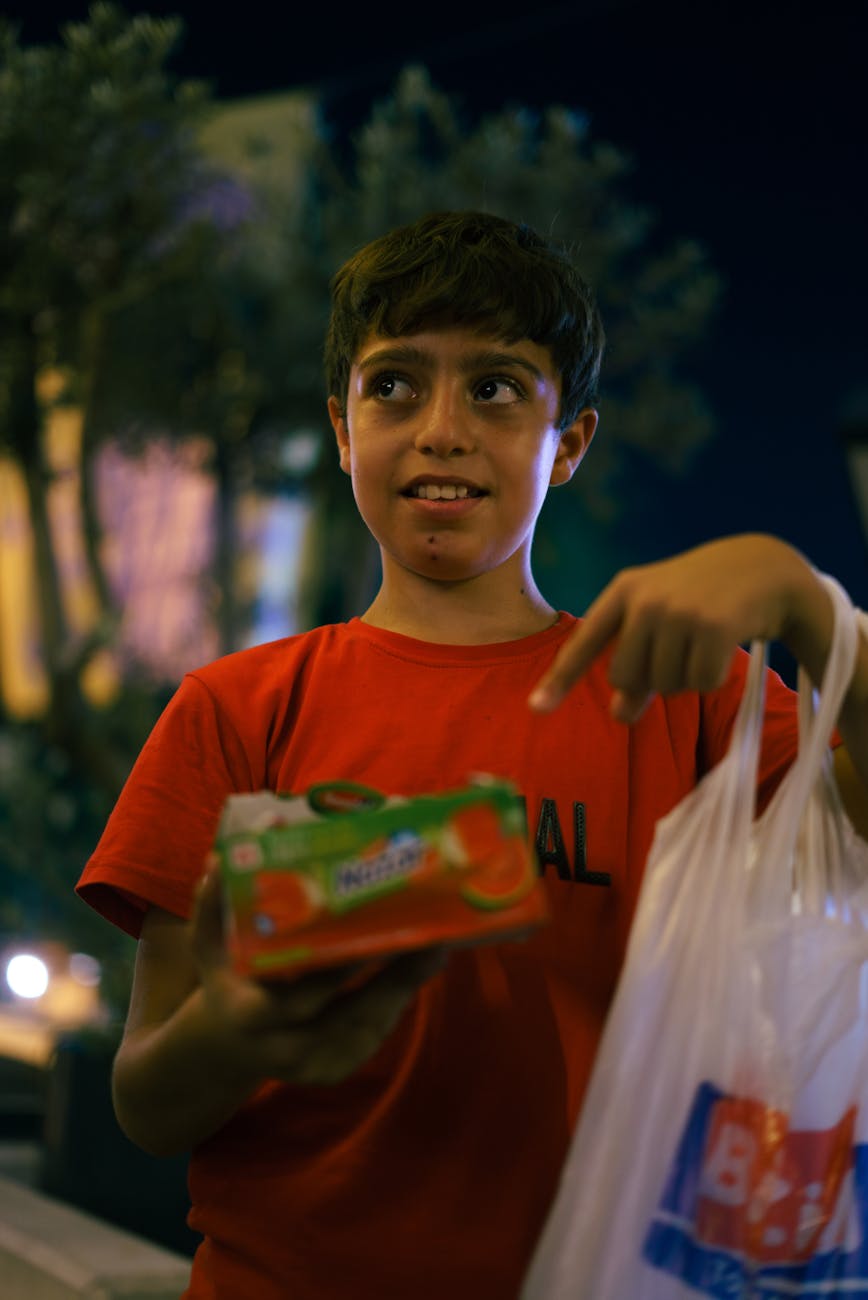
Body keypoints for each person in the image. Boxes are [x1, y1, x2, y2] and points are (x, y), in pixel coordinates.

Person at [76, 210, 868, 1300]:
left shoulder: (686, 697)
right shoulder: (235, 709)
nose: (439, 429)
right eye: (393, 385)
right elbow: (147, 1101)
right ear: (343, 431)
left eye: (495, 388)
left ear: (571, 441)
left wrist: (808, 607)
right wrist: (237, 1024)